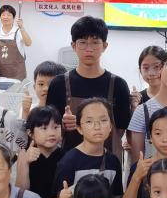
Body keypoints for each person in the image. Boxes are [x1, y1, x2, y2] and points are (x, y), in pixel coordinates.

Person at [45, 16, 132, 160]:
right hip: (69, 163)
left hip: (108, 163)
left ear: (104, 46)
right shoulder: (58, 84)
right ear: (74, 46)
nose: (89, 49)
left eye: (95, 42)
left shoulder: (119, 85)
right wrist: (62, 124)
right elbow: (47, 128)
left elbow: (122, 128)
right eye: (83, 42)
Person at [53, 98, 124, 198]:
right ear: (79, 128)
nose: (97, 127)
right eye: (89, 121)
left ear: (110, 126)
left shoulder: (113, 161)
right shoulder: (69, 162)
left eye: (103, 120)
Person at [15, 105, 65, 198]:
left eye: (56, 127)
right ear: (30, 133)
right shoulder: (24, 154)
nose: (51, 133)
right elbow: (20, 193)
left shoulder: (66, 156)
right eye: (44, 128)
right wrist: (25, 163)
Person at [0, 4, 32, 80]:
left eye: (9, 15)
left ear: (14, 17)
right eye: (3, 15)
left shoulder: (19, 31)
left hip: (17, 74)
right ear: (0, 17)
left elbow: (28, 43)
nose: (6, 17)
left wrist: (22, 27)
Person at [130, 45, 166, 112]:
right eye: (146, 68)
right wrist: (134, 108)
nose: (151, 73)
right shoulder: (137, 100)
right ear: (140, 70)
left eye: (156, 67)